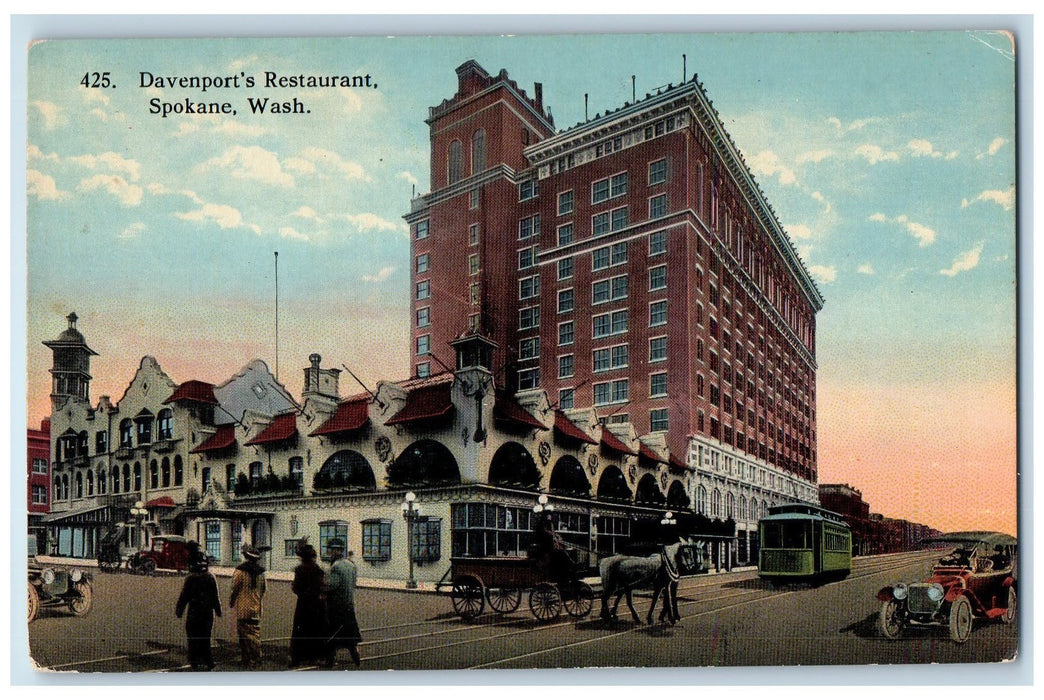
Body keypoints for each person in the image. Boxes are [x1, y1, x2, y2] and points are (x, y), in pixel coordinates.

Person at [175, 553, 222, 671]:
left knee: (192, 636)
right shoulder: (210, 577)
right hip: (207, 612)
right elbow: (215, 596)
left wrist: (179, 610)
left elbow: (184, 596)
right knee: (205, 636)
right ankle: (208, 661)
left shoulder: (191, 578)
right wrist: (218, 610)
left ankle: (194, 661)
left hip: (194, 611)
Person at [289, 538, 327, 667]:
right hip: (317, 604)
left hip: (304, 603)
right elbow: (322, 586)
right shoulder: (318, 569)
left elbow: (296, 588)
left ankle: (298, 658)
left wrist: (294, 586)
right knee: (315, 629)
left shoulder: (300, 570)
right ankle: (314, 656)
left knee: (301, 630)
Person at [325, 539, 362, 667]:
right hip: (349, 603)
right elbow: (354, 583)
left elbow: (331, 586)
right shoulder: (351, 565)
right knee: (350, 635)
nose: (330, 553)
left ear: (336, 551)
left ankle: (330, 660)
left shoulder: (335, 567)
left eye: (331, 550)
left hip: (337, 605)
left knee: (333, 634)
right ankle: (356, 657)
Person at [230, 544, 266, 668]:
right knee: (255, 633)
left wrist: (232, 601)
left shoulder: (240, 571)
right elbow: (263, 590)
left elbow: (235, 588)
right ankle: (256, 658)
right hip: (256, 606)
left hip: (243, 607)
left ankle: (248, 659)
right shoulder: (261, 573)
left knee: (243, 635)